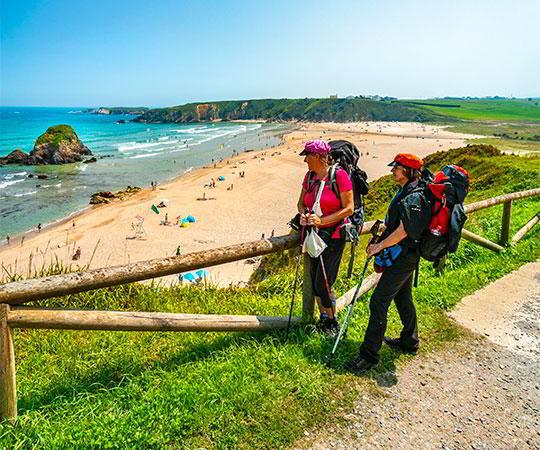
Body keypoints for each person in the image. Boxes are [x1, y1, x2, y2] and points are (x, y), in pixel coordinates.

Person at [347, 153, 428, 374]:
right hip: (404, 254)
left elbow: (403, 231)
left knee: (378, 301)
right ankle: (410, 341)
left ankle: (369, 356)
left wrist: (378, 247)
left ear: (408, 171)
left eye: (397, 168)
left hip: (404, 255)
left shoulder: (414, 196)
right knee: (403, 297)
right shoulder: (408, 190)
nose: (392, 171)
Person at [297, 139, 354, 336]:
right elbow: (300, 203)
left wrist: (322, 220)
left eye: (308, 156)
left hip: (334, 236)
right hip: (314, 234)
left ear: (320, 157)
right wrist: (304, 215)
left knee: (324, 282)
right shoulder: (309, 177)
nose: (305, 160)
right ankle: (324, 318)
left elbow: (349, 208)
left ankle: (332, 322)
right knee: (314, 281)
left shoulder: (340, 176)